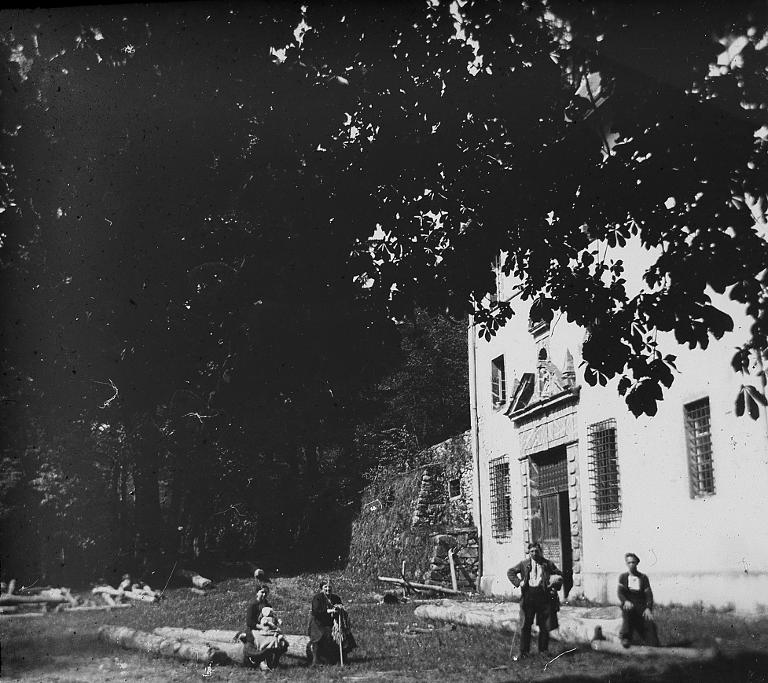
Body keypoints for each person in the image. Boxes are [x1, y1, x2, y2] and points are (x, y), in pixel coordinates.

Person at [507, 541, 563, 659]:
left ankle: (543, 651)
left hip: (543, 597)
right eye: (532, 551)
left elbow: (559, 575)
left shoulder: (547, 564)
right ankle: (523, 652)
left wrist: (554, 583)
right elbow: (510, 572)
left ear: (540, 552)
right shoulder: (524, 564)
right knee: (526, 625)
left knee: (544, 626)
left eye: (536, 551)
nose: (534, 553)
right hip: (528, 597)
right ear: (529, 552)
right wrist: (519, 582)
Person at [307, 579, 357, 665]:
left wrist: (340, 609)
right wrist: (329, 611)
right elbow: (316, 611)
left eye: (329, 587)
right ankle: (317, 661)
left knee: (344, 635)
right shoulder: (317, 598)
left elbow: (341, 607)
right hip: (318, 622)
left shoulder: (335, 598)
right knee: (323, 635)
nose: (328, 589)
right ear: (322, 589)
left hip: (332, 623)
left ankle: (342, 658)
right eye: (325, 587)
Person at [239, 584, 287, 671]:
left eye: (266, 593)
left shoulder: (267, 604)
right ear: (257, 593)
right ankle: (261, 660)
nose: (264, 595)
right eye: (262, 592)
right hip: (254, 629)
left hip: (267, 629)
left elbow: (273, 616)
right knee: (263, 641)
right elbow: (249, 622)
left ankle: (273, 661)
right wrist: (261, 627)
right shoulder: (253, 605)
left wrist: (275, 622)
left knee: (280, 641)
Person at [618, 552, 660, 647]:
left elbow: (649, 594)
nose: (631, 565)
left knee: (649, 623)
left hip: (641, 604)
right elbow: (620, 593)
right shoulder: (623, 577)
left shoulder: (643, 577)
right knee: (627, 612)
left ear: (637, 563)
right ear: (626, 564)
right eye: (629, 563)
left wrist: (648, 608)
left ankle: (653, 645)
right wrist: (625, 601)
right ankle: (625, 638)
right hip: (628, 604)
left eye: (633, 562)